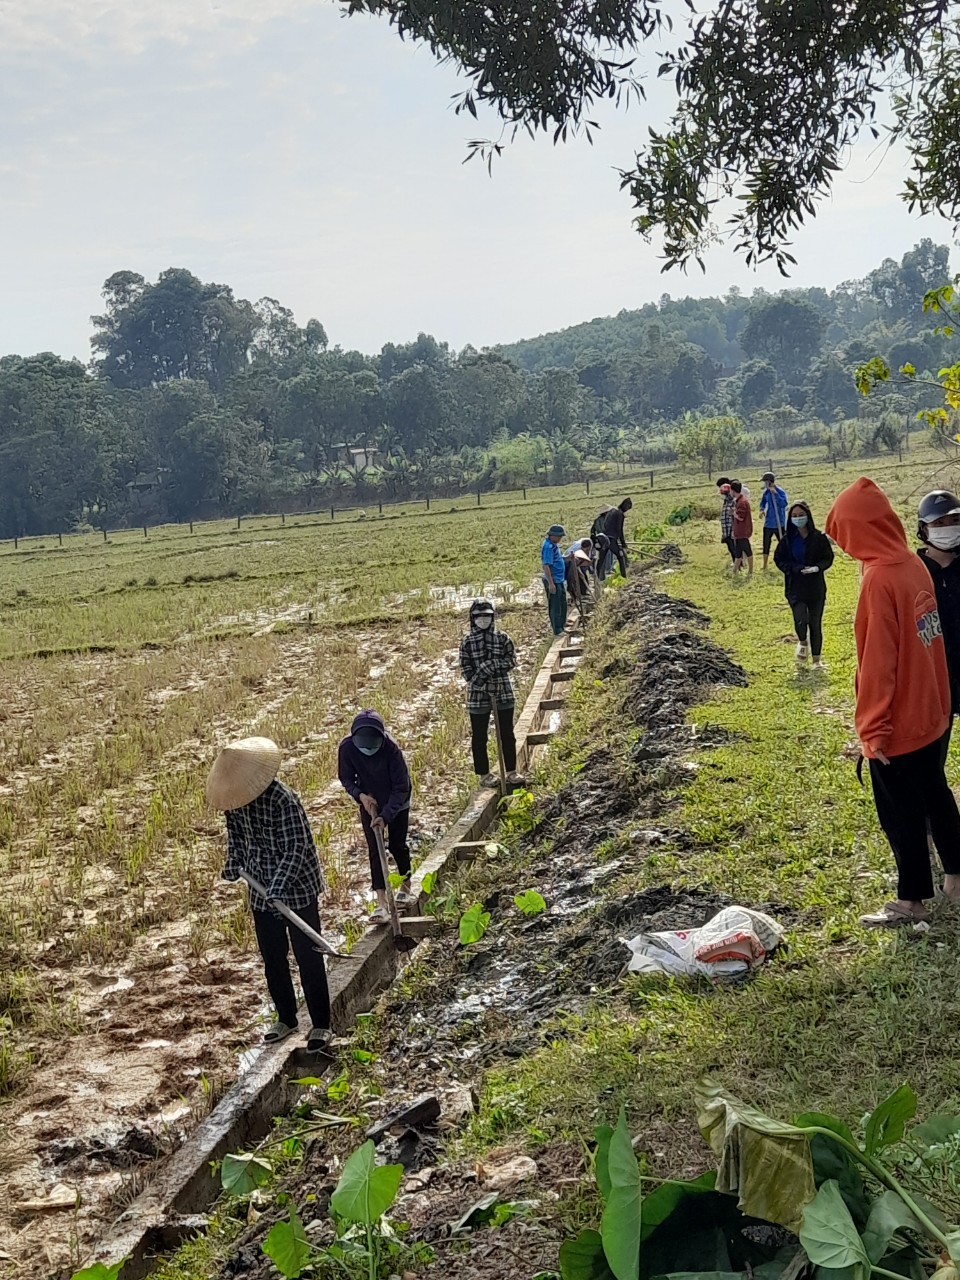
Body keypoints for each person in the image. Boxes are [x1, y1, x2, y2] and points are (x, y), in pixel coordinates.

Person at [825, 477, 960, 926]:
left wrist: (873, 729)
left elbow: (879, 663)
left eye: (843, 530)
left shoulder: (880, 579)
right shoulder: (912, 564)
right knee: (937, 796)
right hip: (929, 713)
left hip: (899, 723)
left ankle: (911, 902)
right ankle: (955, 878)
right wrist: (940, 703)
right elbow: (932, 645)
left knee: (901, 816)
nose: (842, 542)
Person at [208, 736, 331, 1050]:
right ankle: (286, 1018)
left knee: (309, 958)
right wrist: (233, 865)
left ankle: (321, 1025)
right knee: (273, 959)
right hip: (260, 891)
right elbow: (236, 842)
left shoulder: (281, 800)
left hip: (297, 888)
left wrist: (278, 887)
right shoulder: (233, 805)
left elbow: (296, 848)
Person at [337, 710, 416, 924]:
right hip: (369, 800)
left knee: (397, 845)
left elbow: (401, 788)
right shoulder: (347, 748)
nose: (368, 750)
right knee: (375, 846)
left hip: (396, 800)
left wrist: (385, 816)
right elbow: (345, 777)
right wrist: (360, 795)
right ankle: (381, 903)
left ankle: (406, 886)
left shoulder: (391, 750)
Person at [459, 598, 523, 788]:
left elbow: (511, 661)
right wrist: (483, 682)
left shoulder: (502, 638)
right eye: (479, 617)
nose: (483, 620)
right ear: (472, 619)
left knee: (507, 734)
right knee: (479, 737)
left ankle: (511, 771)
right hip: (478, 696)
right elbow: (466, 671)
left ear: (493, 617)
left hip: (502, 692)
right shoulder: (467, 643)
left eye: (487, 616)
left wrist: (491, 665)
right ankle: (484, 775)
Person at [917, 490, 960, 737]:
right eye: (939, 523)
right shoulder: (914, 572)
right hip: (933, 674)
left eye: (954, 521)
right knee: (935, 746)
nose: (948, 527)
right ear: (924, 529)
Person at [773, 501, 834, 666]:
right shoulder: (787, 540)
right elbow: (779, 559)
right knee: (800, 619)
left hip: (815, 587)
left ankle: (816, 660)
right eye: (794, 516)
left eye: (801, 515)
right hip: (795, 586)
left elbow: (828, 558)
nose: (798, 518)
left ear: (808, 516)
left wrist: (817, 568)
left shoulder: (818, 537)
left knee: (815, 622)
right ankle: (802, 641)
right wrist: (794, 568)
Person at [758, 471, 788, 570]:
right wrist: (761, 510)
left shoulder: (780, 492)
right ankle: (765, 565)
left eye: (765, 482)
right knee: (766, 543)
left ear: (770, 482)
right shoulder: (766, 492)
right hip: (769, 523)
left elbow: (784, 504)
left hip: (780, 523)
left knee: (784, 542)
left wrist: (776, 494)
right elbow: (763, 502)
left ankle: (787, 560)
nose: (765, 484)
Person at [541, 523, 568, 635]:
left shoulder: (554, 545)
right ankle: (557, 630)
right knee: (555, 606)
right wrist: (551, 584)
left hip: (559, 579)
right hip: (553, 580)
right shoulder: (548, 547)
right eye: (559, 537)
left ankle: (561, 626)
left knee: (563, 604)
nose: (560, 539)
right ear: (553, 535)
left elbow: (558, 559)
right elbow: (546, 565)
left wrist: (568, 558)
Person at [602, 498, 633, 577]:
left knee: (601, 559)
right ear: (625, 505)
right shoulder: (620, 514)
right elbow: (619, 529)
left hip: (604, 537)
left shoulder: (612, 510)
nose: (627, 510)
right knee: (620, 556)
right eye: (627, 508)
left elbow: (605, 524)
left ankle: (599, 577)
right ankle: (624, 576)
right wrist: (623, 543)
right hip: (611, 538)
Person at [730, 480, 754, 575]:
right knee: (738, 553)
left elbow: (741, 517)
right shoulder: (739, 501)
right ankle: (734, 571)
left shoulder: (742, 502)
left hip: (742, 532)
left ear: (733, 491)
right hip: (739, 533)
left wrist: (733, 513)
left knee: (748, 551)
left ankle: (751, 571)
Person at [719, 482, 737, 567]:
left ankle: (737, 563)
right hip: (725, 529)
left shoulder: (732, 502)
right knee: (730, 546)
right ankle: (735, 561)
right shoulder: (725, 502)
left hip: (731, 528)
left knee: (733, 547)